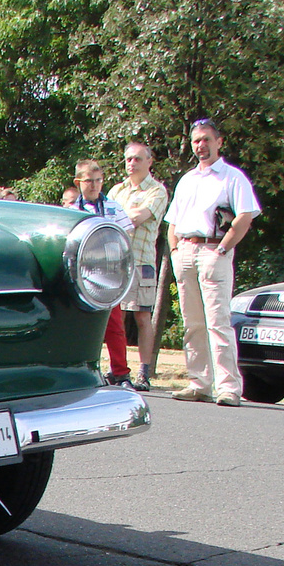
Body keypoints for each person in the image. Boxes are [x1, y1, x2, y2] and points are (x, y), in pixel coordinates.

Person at [164, 118, 262, 405]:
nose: (201, 145)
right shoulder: (187, 179)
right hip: (185, 250)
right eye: (196, 140)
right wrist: (174, 250)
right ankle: (199, 382)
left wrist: (222, 249)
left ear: (219, 142)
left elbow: (245, 216)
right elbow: (172, 220)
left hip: (212, 251)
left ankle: (228, 387)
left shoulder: (233, 177)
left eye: (206, 139)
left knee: (218, 322)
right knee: (192, 322)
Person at [108, 141, 170, 390]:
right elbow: (105, 216)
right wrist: (125, 215)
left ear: (149, 161)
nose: (132, 163)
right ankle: (117, 368)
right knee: (115, 317)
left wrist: (120, 217)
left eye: (137, 159)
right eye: (128, 159)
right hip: (115, 262)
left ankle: (144, 372)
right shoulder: (116, 190)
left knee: (142, 316)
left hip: (141, 261)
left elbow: (138, 218)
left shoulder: (157, 191)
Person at [73, 160, 137, 386]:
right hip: (81, 275)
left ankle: (120, 373)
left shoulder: (113, 207)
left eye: (98, 180)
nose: (94, 185)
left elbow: (126, 233)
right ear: (78, 182)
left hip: (108, 275)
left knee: (114, 325)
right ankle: (80, 369)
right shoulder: (70, 210)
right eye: (88, 181)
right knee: (81, 324)